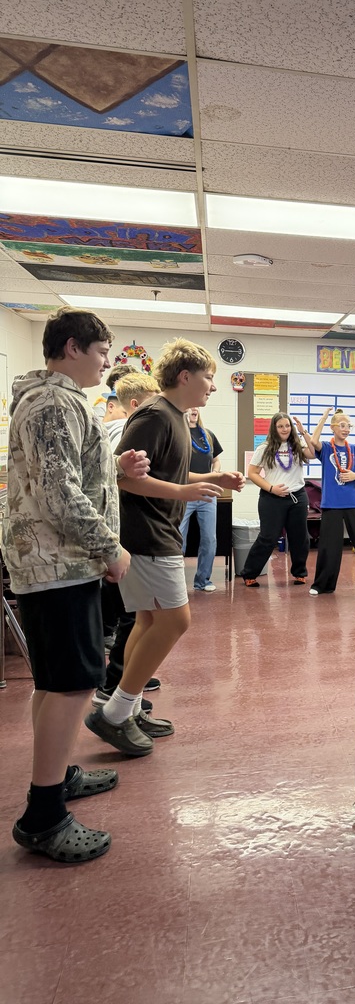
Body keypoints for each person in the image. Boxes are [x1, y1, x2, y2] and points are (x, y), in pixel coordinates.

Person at [3, 307, 149, 862]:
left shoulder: (57, 401)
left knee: (55, 682)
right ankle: (43, 817)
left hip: (54, 563)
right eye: (102, 351)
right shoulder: (51, 403)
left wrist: (115, 468)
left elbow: (64, 473)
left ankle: (57, 773)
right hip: (59, 564)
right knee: (70, 686)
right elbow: (59, 494)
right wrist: (109, 548)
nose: (107, 363)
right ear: (71, 348)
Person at [83, 339, 245, 757]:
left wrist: (210, 479)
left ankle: (124, 705)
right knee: (175, 622)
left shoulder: (175, 417)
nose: (212, 386)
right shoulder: (153, 415)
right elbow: (123, 477)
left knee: (149, 622)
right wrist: (182, 492)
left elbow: (167, 468)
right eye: (208, 377)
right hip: (147, 534)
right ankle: (115, 714)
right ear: (185, 376)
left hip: (157, 532)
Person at [94, 372, 163, 711]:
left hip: (119, 531)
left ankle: (127, 681)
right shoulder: (124, 430)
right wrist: (183, 489)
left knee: (137, 615)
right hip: (125, 532)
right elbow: (135, 481)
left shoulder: (114, 429)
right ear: (134, 404)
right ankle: (115, 686)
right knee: (133, 616)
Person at [241, 412, 316, 587]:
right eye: (280, 426)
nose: (284, 429)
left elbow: (313, 453)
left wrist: (302, 431)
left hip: (297, 496)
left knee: (300, 537)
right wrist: (272, 489)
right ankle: (249, 573)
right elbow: (252, 473)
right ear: (275, 428)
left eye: (287, 426)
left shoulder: (298, 446)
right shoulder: (265, 447)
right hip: (271, 498)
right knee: (268, 537)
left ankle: (299, 573)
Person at [308, 408, 355, 595]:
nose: (346, 429)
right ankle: (322, 585)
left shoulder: (353, 449)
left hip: (352, 503)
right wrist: (323, 418)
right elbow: (313, 441)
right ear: (333, 427)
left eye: (349, 426)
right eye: (343, 425)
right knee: (330, 547)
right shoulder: (327, 448)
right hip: (331, 504)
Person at [179, 407, 224, 593]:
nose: (194, 409)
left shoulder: (208, 435)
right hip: (185, 492)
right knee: (178, 538)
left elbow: (216, 460)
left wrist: (215, 472)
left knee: (209, 539)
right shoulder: (178, 435)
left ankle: (202, 581)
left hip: (207, 494)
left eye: (196, 408)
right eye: (189, 407)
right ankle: (176, 583)